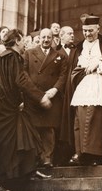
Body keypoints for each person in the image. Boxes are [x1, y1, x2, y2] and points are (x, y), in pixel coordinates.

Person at [0, 29, 51, 189]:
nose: (24, 45)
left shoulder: (3, 57)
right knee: (14, 145)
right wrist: (40, 96)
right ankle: (10, 182)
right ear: (16, 41)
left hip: (4, 108)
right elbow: (21, 79)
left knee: (20, 139)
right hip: (7, 111)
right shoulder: (12, 57)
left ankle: (21, 176)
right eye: (22, 42)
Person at [60, 13, 102, 166]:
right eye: (85, 31)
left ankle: (93, 153)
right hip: (82, 86)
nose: (88, 34)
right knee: (79, 118)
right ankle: (79, 152)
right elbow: (74, 68)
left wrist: (99, 65)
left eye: (90, 30)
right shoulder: (78, 47)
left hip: (99, 85)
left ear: (98, 28)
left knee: (93, 119)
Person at [23, 28, 68, 168]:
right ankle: (35, 158)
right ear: (39, 38)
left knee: (48, 130)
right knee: (33, 128)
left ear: (53, 39)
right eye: (43, 37)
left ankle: (47, 158)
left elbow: (63, 75)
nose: (46, 40)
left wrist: (54, 90)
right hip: (33, 97)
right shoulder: (29, 53)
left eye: (49, 37)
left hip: (51, 97)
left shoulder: (60, 55)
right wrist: (34, 93)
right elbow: (23, 74)